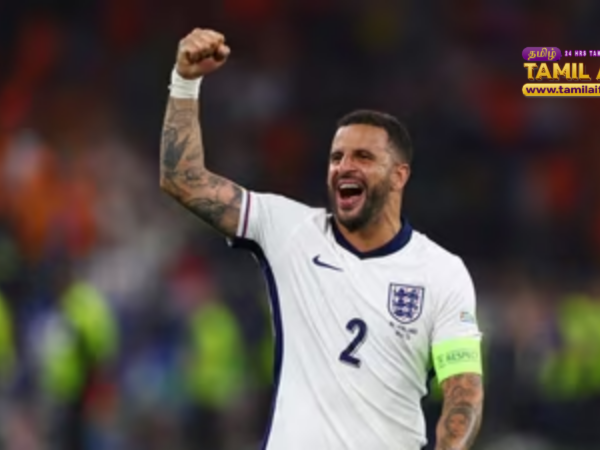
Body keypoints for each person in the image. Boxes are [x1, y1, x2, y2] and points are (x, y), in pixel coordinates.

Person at [160, 28, 484, 450]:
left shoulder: (441, 272)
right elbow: (184, 181)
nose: (344, 167)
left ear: (399, 175)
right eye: (336, 157)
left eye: (363, 157)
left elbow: (463, 393)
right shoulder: (289, 230)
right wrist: (185, 81)